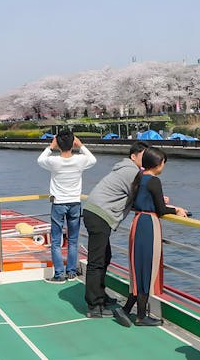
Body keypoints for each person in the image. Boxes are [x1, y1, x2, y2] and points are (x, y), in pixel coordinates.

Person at [113, 147, 188, 327]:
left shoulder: (139, 177)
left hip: (138, 222)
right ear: (158, 164)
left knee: (139, 268)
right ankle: (140, 316)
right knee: (147, 268)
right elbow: (161, 209)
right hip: (149, 224)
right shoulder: (154, 180)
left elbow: (140, 201)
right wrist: (176, 210)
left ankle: (128, 310)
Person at [82, 141, 149, 318]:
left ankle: (100, 295)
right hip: (100, 215)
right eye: (144, 155)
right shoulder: (132, 172)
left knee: (105, 256)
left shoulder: (124, 168)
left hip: (95, 212)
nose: (147, 159)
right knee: (97, 261)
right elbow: (140, 199)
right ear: (133, 156)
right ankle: (94, 306)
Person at [37, 130, 97, 284]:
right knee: (73, 240)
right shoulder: (80, 160)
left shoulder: (53, 162)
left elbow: (40, 160)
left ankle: (59, 274)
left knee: (56, 241)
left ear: (57, 144)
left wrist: (51, 147)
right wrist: (81, 145)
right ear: (73, 143)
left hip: (58, 204)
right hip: (75, 203)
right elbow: (93, 159)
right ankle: (71, 272)